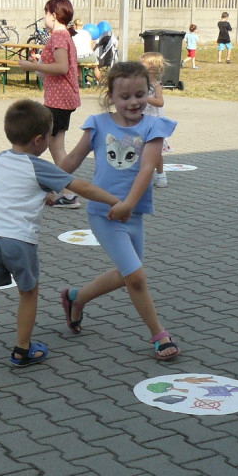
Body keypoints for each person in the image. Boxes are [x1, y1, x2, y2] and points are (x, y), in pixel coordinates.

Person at [0, 100, 120, 382]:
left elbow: (6, 189)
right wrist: (116, 200)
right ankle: (22, 350)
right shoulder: (40, 166)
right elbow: (81, 187)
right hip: (19, 241)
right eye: (50, 136)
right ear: (39, 141)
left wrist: (42, 196)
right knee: (28, 293)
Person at [58, 61, 179, 361]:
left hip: (133, 213)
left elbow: (147, 168)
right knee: (136, 277)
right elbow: (71, 160)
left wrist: (128, 204)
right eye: (125, 97)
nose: (134, 102)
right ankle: (158, 334)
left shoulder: (153, 126)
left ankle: (76, 298)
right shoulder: (98, 124)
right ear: (111, 95)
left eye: (140, 94)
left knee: (128, 274)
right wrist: (45, 185)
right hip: (104, 214)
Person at [18, 0, 82, 208]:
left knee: (48, 144)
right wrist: (41, 64)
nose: (44, 17)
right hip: (63, 97)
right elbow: (59, 67)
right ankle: (67, 192)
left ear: (54, 15)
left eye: (46, 13)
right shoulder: (63, 35)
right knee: (56, 147)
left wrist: (30, 66)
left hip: (59, 99)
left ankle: (61, 190)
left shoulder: (58, 36)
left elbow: (62, 67)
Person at [139, 52, 169, 188]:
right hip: (140, 118)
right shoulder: (139, 81)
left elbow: (160, 102)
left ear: (152, 67)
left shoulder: (156, 85)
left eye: (143, 64)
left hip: (154, 120)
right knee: (140, 148)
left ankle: (161, 174)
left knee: (155, 151)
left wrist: (146, 98)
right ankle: (144, 175)